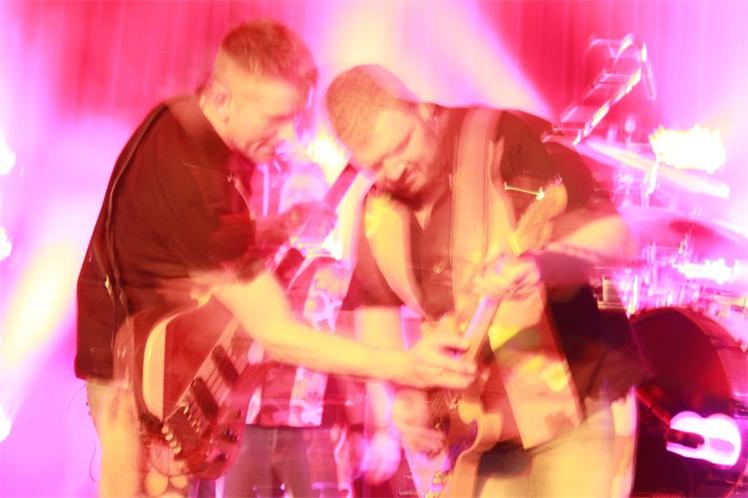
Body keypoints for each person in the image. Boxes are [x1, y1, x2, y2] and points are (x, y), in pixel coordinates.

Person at [74, 24, 474, 498]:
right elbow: (276, 332)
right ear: (223, 99)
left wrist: (279, 227)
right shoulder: (188, 177)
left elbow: (199, 244)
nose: (289, 135)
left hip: (167, 366)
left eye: (295, 117)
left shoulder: (192, 131)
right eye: (275, 118)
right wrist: (403, 366)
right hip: (139, 384)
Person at [325, 64, 648, 497]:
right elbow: (377, 317)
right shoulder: (375, 212)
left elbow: (616, 237)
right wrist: (402, 397)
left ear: (422, 109)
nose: (395, 169)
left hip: (574, 399)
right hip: (475, 429)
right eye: (376, 165)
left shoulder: (502, 138)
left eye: (401, 145)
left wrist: (542, 264)